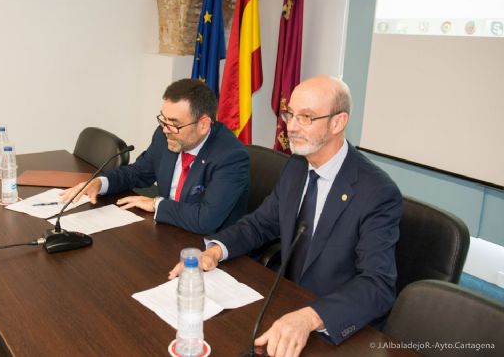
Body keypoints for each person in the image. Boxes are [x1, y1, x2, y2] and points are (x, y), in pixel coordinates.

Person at [168, 76, 402, 357]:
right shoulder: (297, 167)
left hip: (336, 327)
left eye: (306, 117)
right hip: (288, 304)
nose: (290, 126)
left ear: (338, 122)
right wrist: (215, 251)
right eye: (290, 114)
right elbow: (261, 224)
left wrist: (311, 317)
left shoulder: (377, 192)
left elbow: (378, 285)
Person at [61, 78, 249, 235]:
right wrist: (100, 183)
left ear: (203, 125)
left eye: (174, 123)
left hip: (210, 249)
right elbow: (137, 173)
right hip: (168, 231)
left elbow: (205, 220)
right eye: (163, 119)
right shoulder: (165, 135)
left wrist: (156, 204)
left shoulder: (231, 157)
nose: (165, 129)